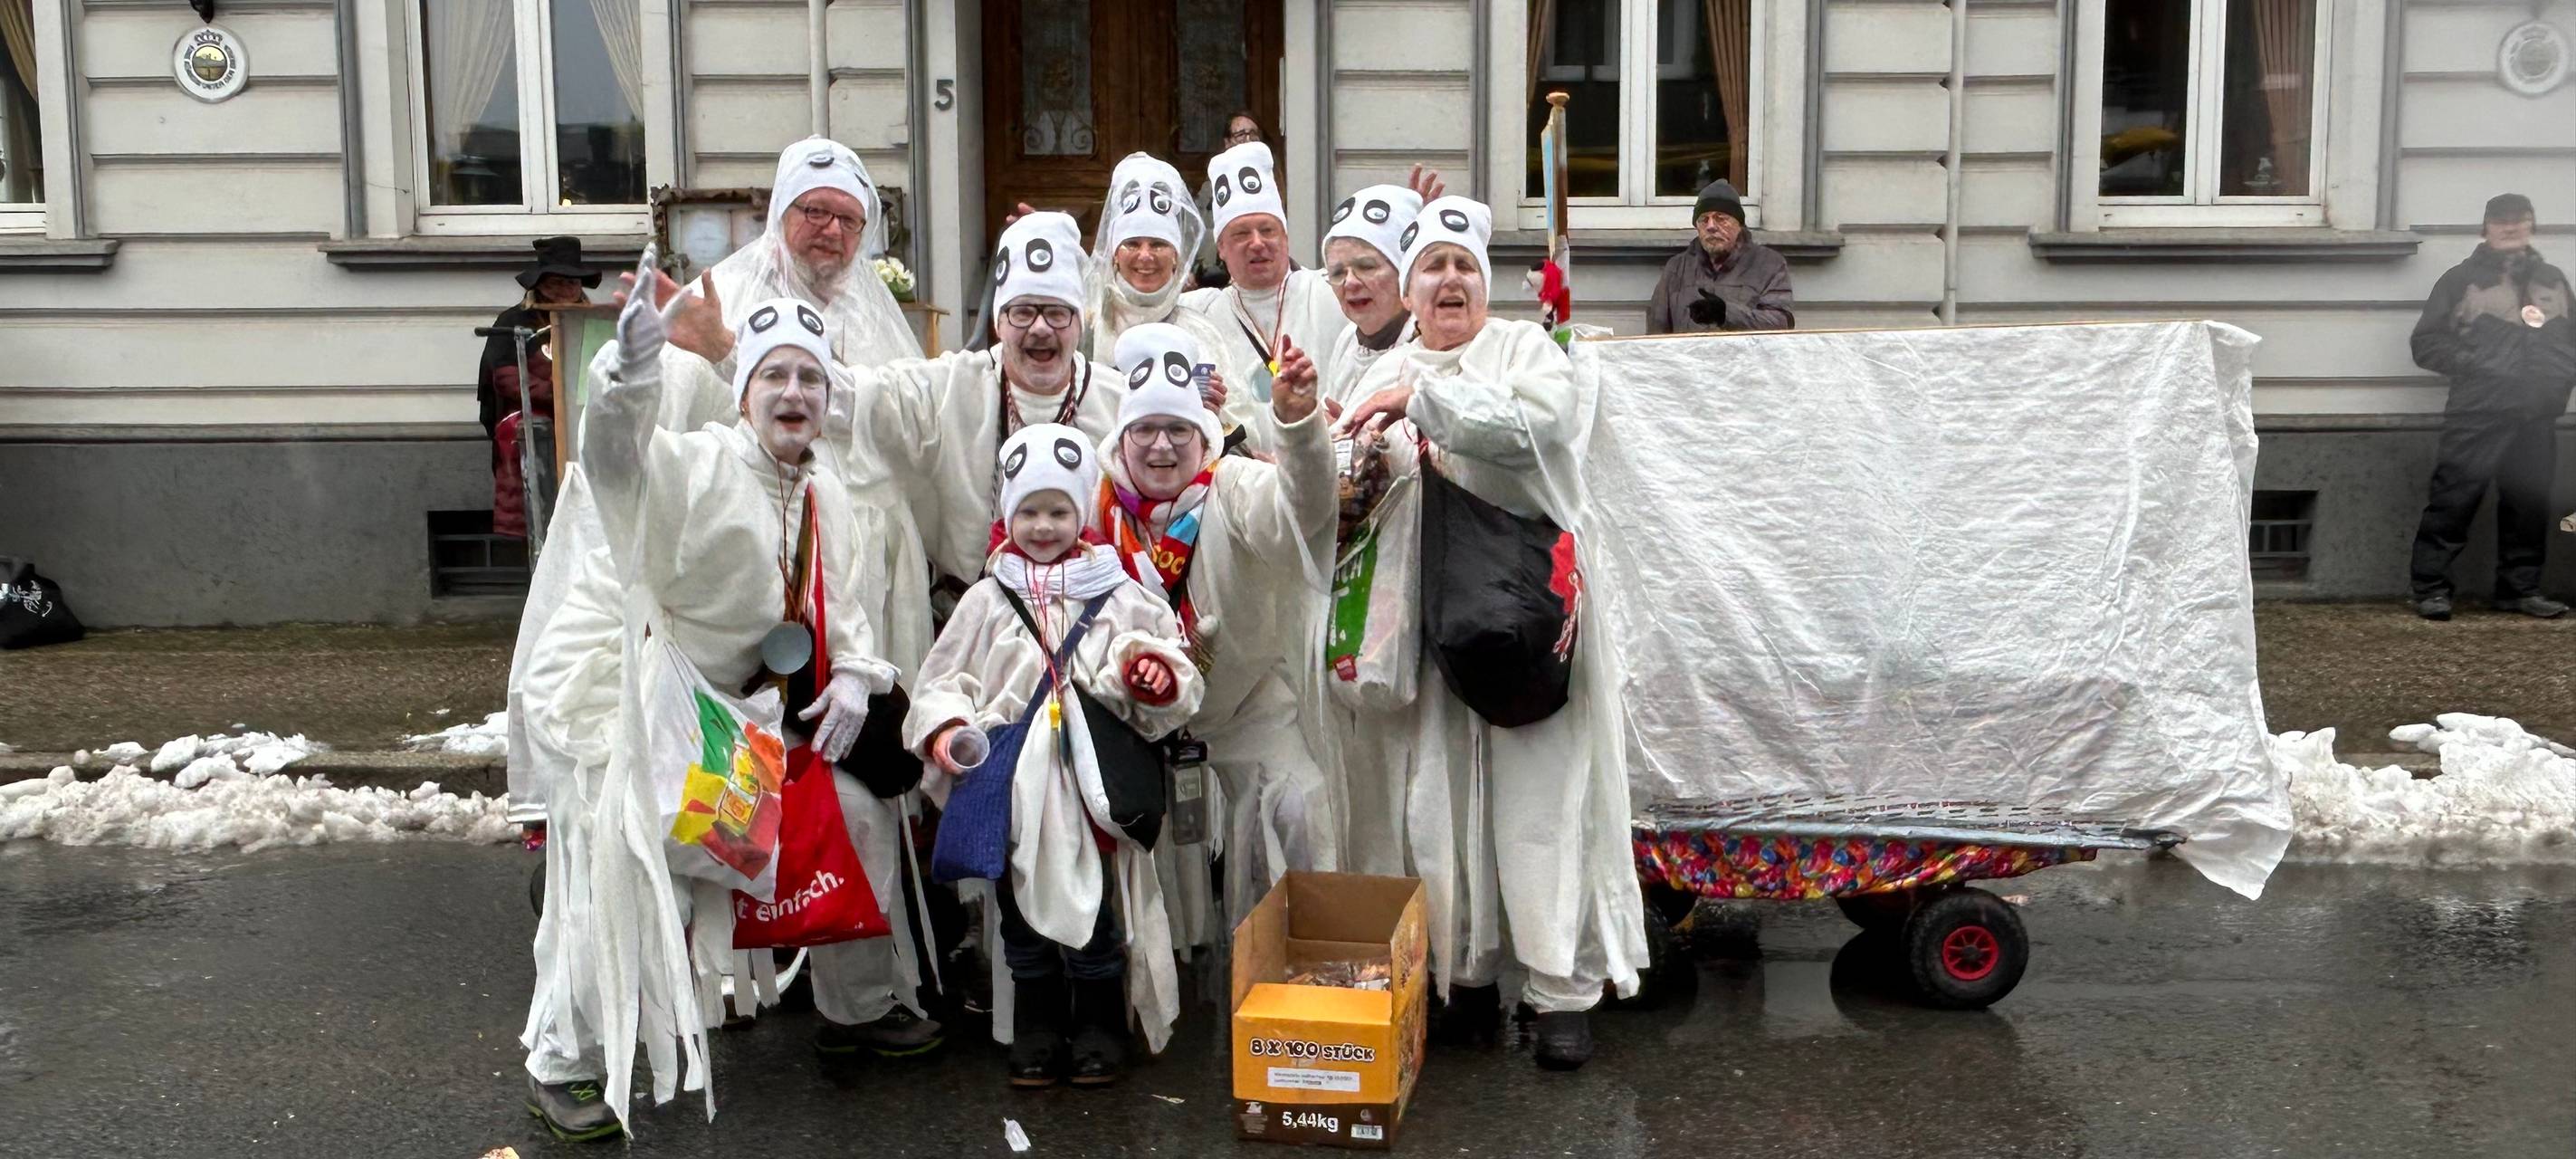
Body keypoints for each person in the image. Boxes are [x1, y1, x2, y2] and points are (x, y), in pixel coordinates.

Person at [520, 265, 910, 1139]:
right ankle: (564, 1061)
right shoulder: (693, 465)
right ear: (742, 392)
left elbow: (842, 609)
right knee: (626, 856)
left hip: (743, 723)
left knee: (861, 812)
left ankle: (859, 1008)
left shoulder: (827, 493)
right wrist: (628, 376)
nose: (793, 392)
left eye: (810, 376)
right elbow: (617, 464)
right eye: (774, 374)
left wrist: (856, 673)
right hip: (645, 702)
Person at [1338, 196, 1647, 1071]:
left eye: (1463, 267)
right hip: (1426, 630)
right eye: (1431, 267)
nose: (1448, 282)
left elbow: (1535, 430)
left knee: (1538, 805)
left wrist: (1424, 400)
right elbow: (1346, 480)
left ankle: (1559, 990)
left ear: (1484, 282)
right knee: (1439, 807)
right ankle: (1463, 977)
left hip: (1523, 624)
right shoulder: (1381, 368)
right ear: (1409, 284)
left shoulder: (1526, 351)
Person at [905, 423, 1204, 1088]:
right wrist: (949, 730)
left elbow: (1168, 657)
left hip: (1088, 785)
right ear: (1009, 515)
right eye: (1030, 511)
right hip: (1011, 786)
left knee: (1096, 916)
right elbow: (941, 681)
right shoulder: (986, 599)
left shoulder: (1120, 590)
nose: (1044, 526)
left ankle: (1098, 1025)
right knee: (1019, 918)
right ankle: (1037, 1026)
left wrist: (1152, 673)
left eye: (1059, 510)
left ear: (1082, 511)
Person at [1095, 321, 1340, 947]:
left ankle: (1310, 964)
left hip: (1245, 703)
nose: (1161, 447)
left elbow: (1303, 512)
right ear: (1121, 436)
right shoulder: (1090, 504)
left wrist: (1298, 427)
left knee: (1299, 803)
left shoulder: (1231, 486)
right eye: (1144, 429)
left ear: (1203, 437)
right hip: (1134, 718)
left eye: (1179, 430)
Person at [836, 212, 1129, 595]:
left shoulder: (1121, 402)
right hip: (971, 616)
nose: (1040, 328)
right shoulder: (950, 387)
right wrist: (742, 353)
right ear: (999, 323)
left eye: (1057, 313)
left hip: (1092, 621)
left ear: (1078, 324)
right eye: (1023, 312)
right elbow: (855, 396)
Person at [2408, 192, 2576, 620]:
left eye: (2519, 220)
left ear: (2532, 226)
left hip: (2536, 413)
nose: (2510, 227)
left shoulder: (2553, 279)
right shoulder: (2459, 279)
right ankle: (2431, 589)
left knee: (2528, 504)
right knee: (2454, 500)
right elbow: (2426, 345)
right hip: (2477, 411)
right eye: (2501, 221)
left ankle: (2519, 590)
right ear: (2485, 228)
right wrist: (2476, 367)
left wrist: (2560, 381)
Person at [1179, 141, 1346, 434]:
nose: (1257, 243)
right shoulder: (1202, 316)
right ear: (1221, 247)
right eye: (1241, 234)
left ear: (1285, 236)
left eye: (1267, 230)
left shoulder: (1329, 295)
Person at [1089, 153, 1255, 442]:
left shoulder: (1202, 334)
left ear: (1176, 258)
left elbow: (1246, 433)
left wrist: (1207, 414)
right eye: (1132, 244)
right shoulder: (1087, 326)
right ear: (1115, 255)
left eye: (1158, 244)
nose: (1145, 256)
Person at [482, 237, 596, 538]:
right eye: (556, 281)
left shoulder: (596, 319)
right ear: (540, 283)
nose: (564, 289)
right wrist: (559, 396)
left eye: (571, 282)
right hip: (537, 427)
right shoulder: (513, 320)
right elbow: (506, 377)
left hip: (587, 421)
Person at [1318, 172, 1436, 408]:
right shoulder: (1349, 338)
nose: (1350, 283)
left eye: (1366, 267)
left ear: (1406, 273)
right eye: (1338, 273)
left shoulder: (1431, 350)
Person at [1644, 180, 1794, 334]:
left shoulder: (1769, 265)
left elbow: (1781, 324)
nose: (1711, 226)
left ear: (1739, 225)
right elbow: (1657, 330)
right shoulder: (1677, 268)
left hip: (1743, 358)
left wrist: (1725, 314)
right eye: (1704, 220)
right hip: (1687, 358)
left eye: (1720, 218)